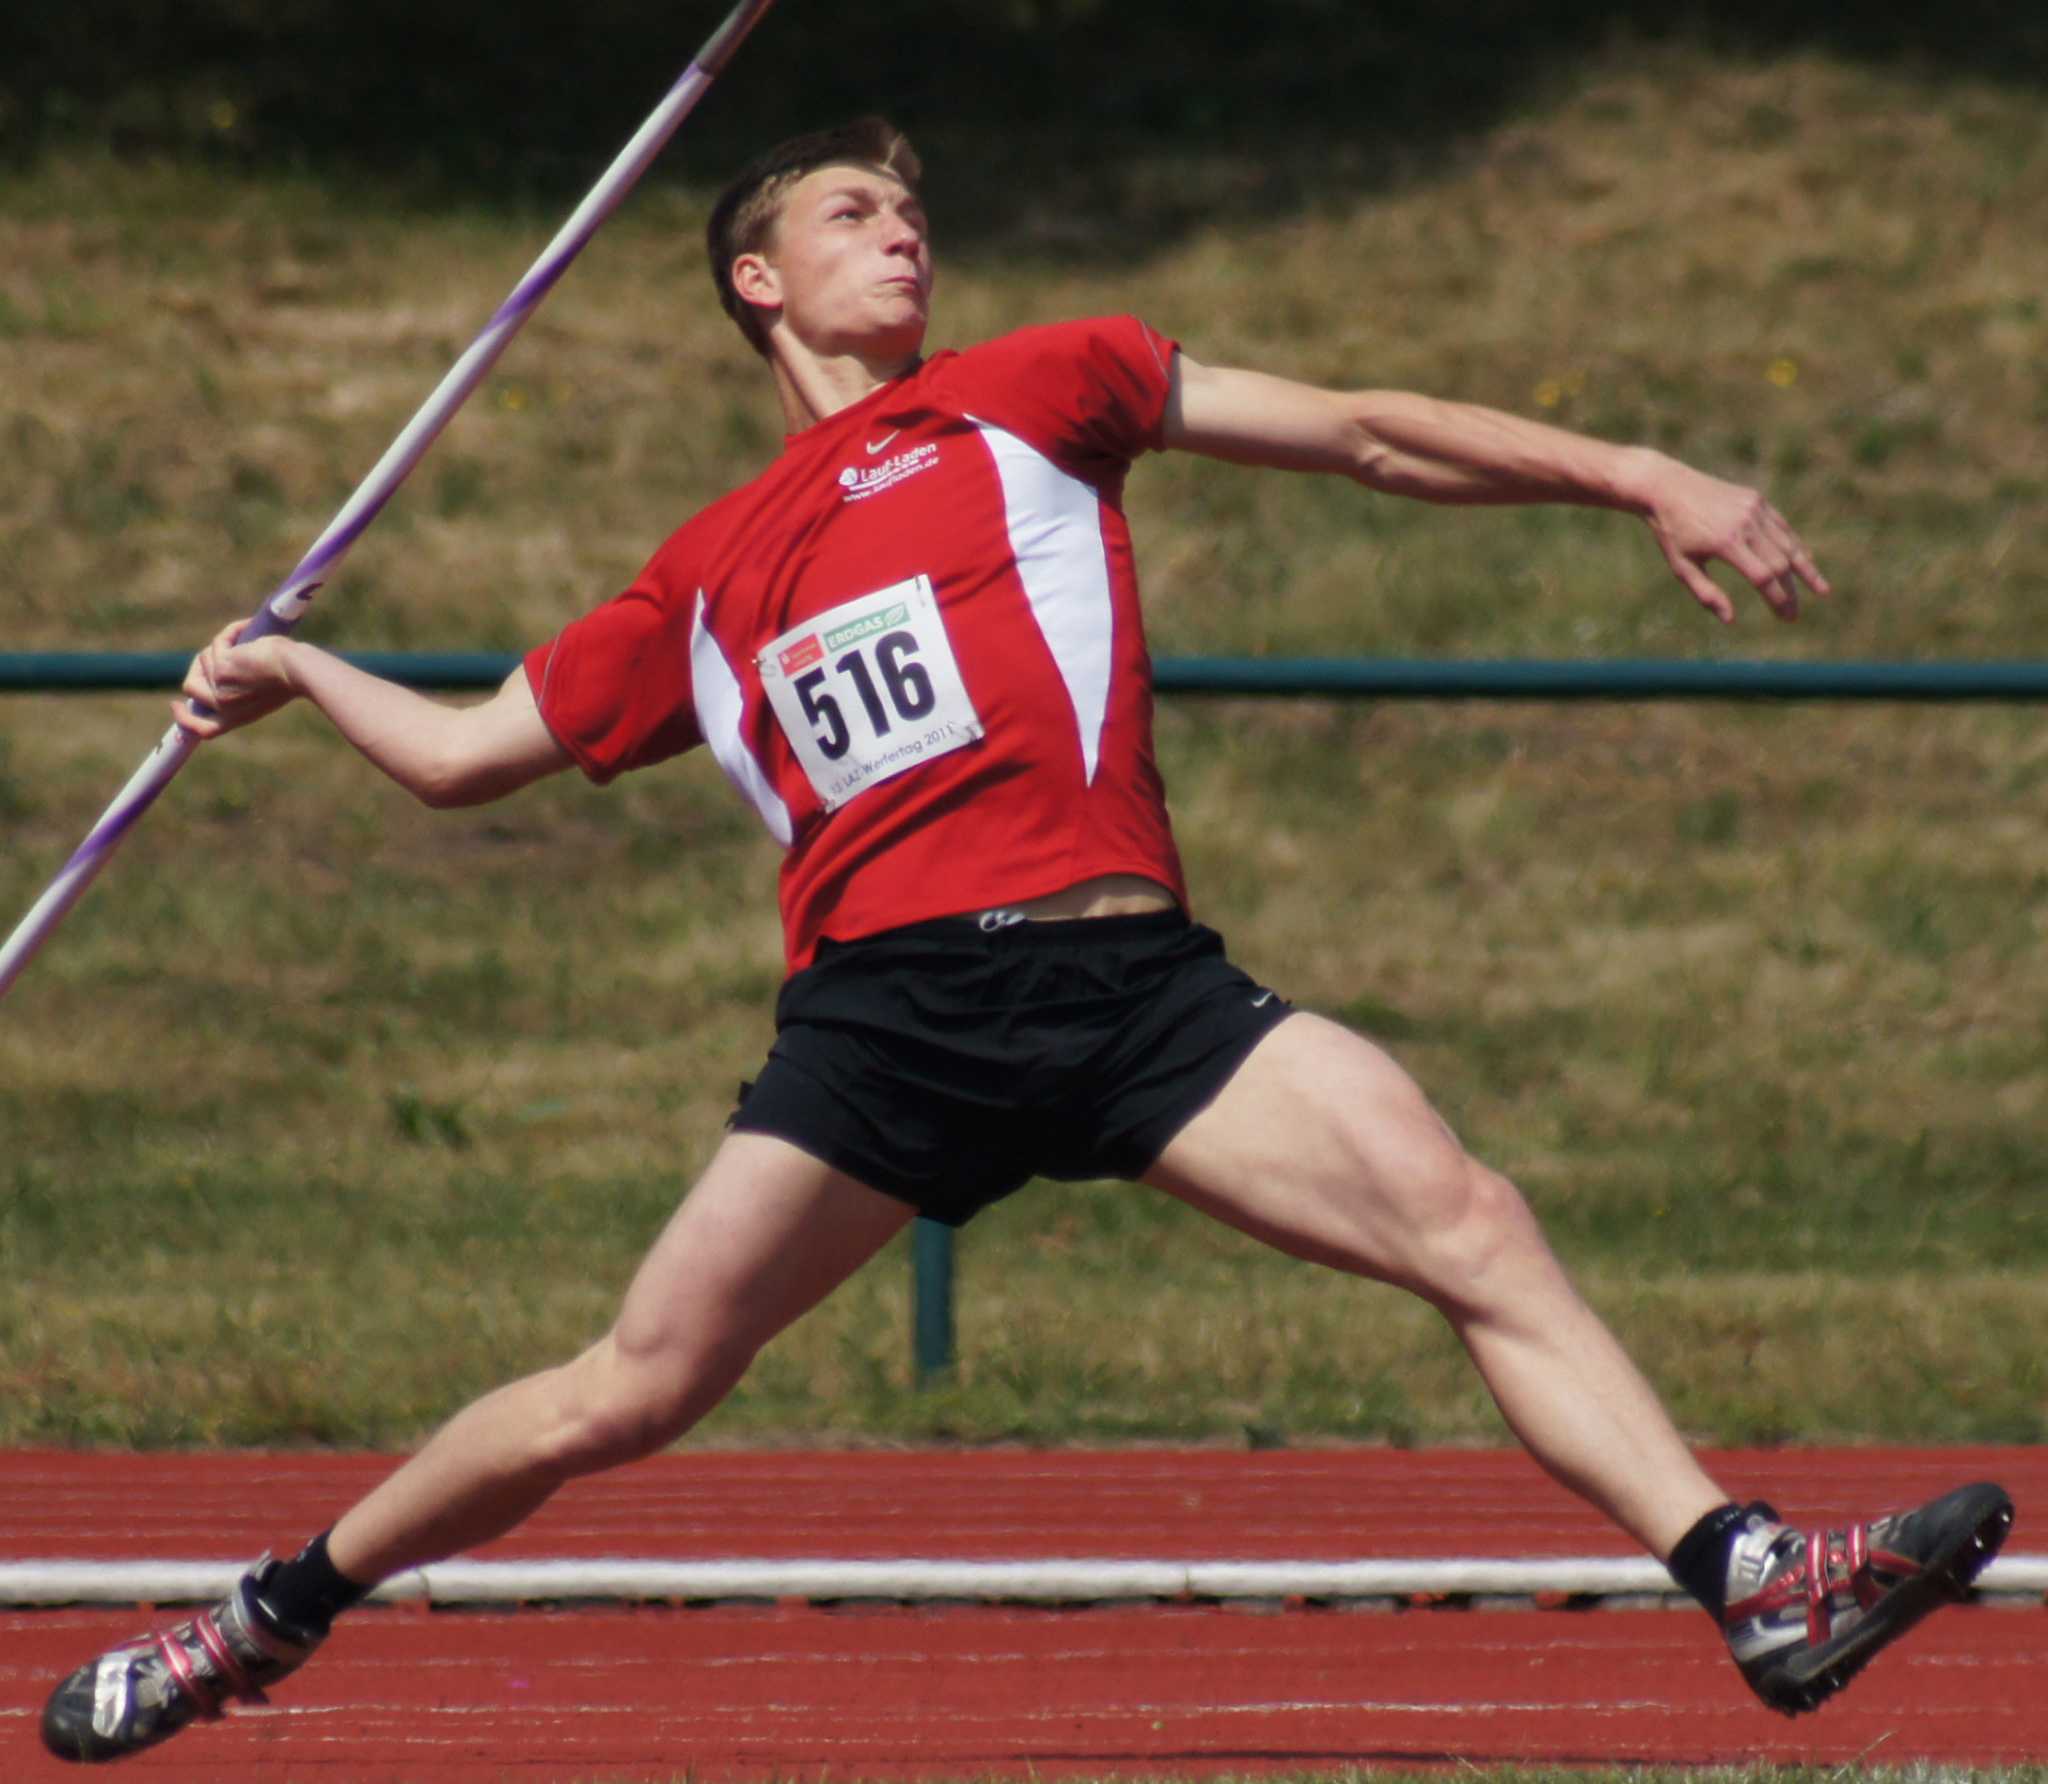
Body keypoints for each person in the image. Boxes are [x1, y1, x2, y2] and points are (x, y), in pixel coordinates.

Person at [44, 118, 2011, 1763]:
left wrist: (1635, 468)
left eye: (913, 214)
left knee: (1469, 1218)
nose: (903, 236)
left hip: (1132, 983)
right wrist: (298, 666)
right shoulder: (705, 577)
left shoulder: (1039, 388)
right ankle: (260, 1619)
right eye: (850, 214)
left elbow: (1358, 434)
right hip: (888, 1022)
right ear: (756, 282)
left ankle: (1751, 1579)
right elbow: (474, 751)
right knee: (618, 1394)